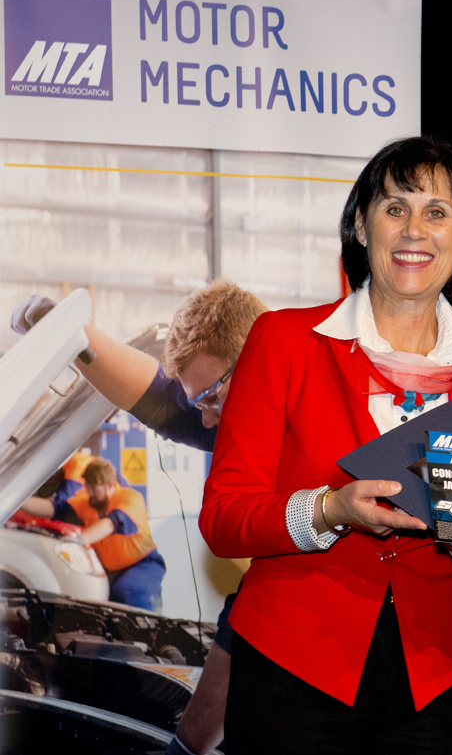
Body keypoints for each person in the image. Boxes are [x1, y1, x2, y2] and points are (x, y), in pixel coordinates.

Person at [200, 136, 452, 755]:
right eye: (394, 208)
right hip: (292, 666)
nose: (414, 230)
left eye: (437, 212)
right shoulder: (283, 341)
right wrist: (330, 510)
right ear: (360, 223)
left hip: (435, 681)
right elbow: (223, 518)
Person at [11, 280, 267, 755]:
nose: (206, 419)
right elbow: (162, 401)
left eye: (211, 397)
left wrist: (187, 746)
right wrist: (75, 334)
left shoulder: (313, 436)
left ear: (259, 360)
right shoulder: (244, 416)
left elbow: (257, 614)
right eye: (200, 403)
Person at [22, 456, 167, 609]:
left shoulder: (130, 498)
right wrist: (17, 501)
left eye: (95, 489)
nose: (90, 493)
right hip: (112, 571)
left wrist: (79, 539)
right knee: (94, 597)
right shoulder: (87, 504)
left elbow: (110, 524)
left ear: (110, 485)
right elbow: (52, 509)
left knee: (128, 589)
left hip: (143, 564)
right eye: (88, 487)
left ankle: (147, 621)